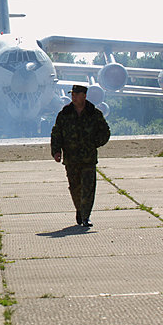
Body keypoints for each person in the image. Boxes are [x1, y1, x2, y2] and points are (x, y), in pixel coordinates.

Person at [51, 85, 111, 227]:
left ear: (84, 96)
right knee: (75, 187)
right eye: (72, 94)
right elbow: (56, 133)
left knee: (88, 188)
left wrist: (94, 144)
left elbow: (105, 132)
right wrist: (56, 151)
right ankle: (79, 209)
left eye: (76, 94)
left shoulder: (94, 114)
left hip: (88, 159)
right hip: (71, 159)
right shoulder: (65, 114)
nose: (74, 97)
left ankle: (86, 216)